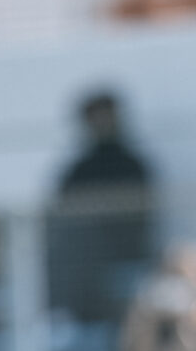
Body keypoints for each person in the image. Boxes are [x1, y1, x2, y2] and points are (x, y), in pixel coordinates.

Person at [49, 89, 157, 326]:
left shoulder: (133, 166)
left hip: (123, 250)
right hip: (83, 257)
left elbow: (140, 217)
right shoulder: (78, 171)